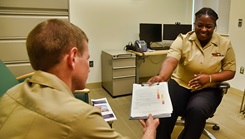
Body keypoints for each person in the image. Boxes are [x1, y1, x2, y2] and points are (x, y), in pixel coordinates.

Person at [0, 19, 159, 139]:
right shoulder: (81, 118)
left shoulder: (9, 96)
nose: (89, 67)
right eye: (87, 58)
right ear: (73, 57)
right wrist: (150, 131)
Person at [147, 7, 236, 139]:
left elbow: (230, 71)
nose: (204, 29)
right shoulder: (182, 39)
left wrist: (210, 78)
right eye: (200, 25)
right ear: (194, 24)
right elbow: (171, 60)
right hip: (180, 84)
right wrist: (162, 76)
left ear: (214, 27)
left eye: (209, 26)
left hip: (207, 88)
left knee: (197, 109)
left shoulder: (225, 44)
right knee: (165, 109)